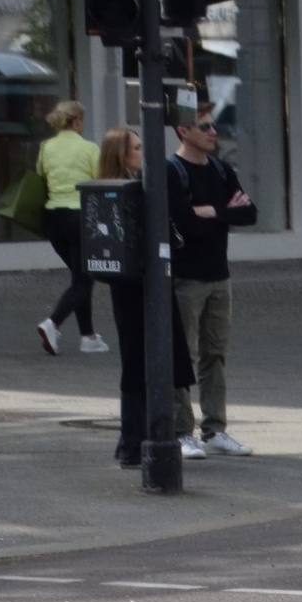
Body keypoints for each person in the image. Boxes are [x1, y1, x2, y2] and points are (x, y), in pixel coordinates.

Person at [96, 125, 203, 466]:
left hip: (146, 283)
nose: (144, 153)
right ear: (122, 155)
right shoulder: (123, 192)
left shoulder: (138, 186)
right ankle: (135, 441)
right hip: (135, 286)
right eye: (138, 148)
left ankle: (136, 440)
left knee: (151, 360)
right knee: (139, 362)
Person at [167, 109, 257, 455]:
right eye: (204, 126)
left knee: (215, 354)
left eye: (213, 125)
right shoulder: (171, 172)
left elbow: (250, 213)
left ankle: (215, 429)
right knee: (182, 356)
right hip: (186, 278)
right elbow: (184, 224)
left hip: (220, 276)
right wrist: (224, 213)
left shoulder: (222, 169)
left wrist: (214, 212)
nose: (213, 132)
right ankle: (180, 431)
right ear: (182, 130)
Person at [35, 99, 106, 355]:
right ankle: (52, 323)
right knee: (85, 279)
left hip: (54, 219)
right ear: (76, 121)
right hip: (80, 218)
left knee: (80, 277)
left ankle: (88, 337)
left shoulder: (46, 147)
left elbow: (41, 174)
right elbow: (100, 180)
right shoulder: (89, 148)